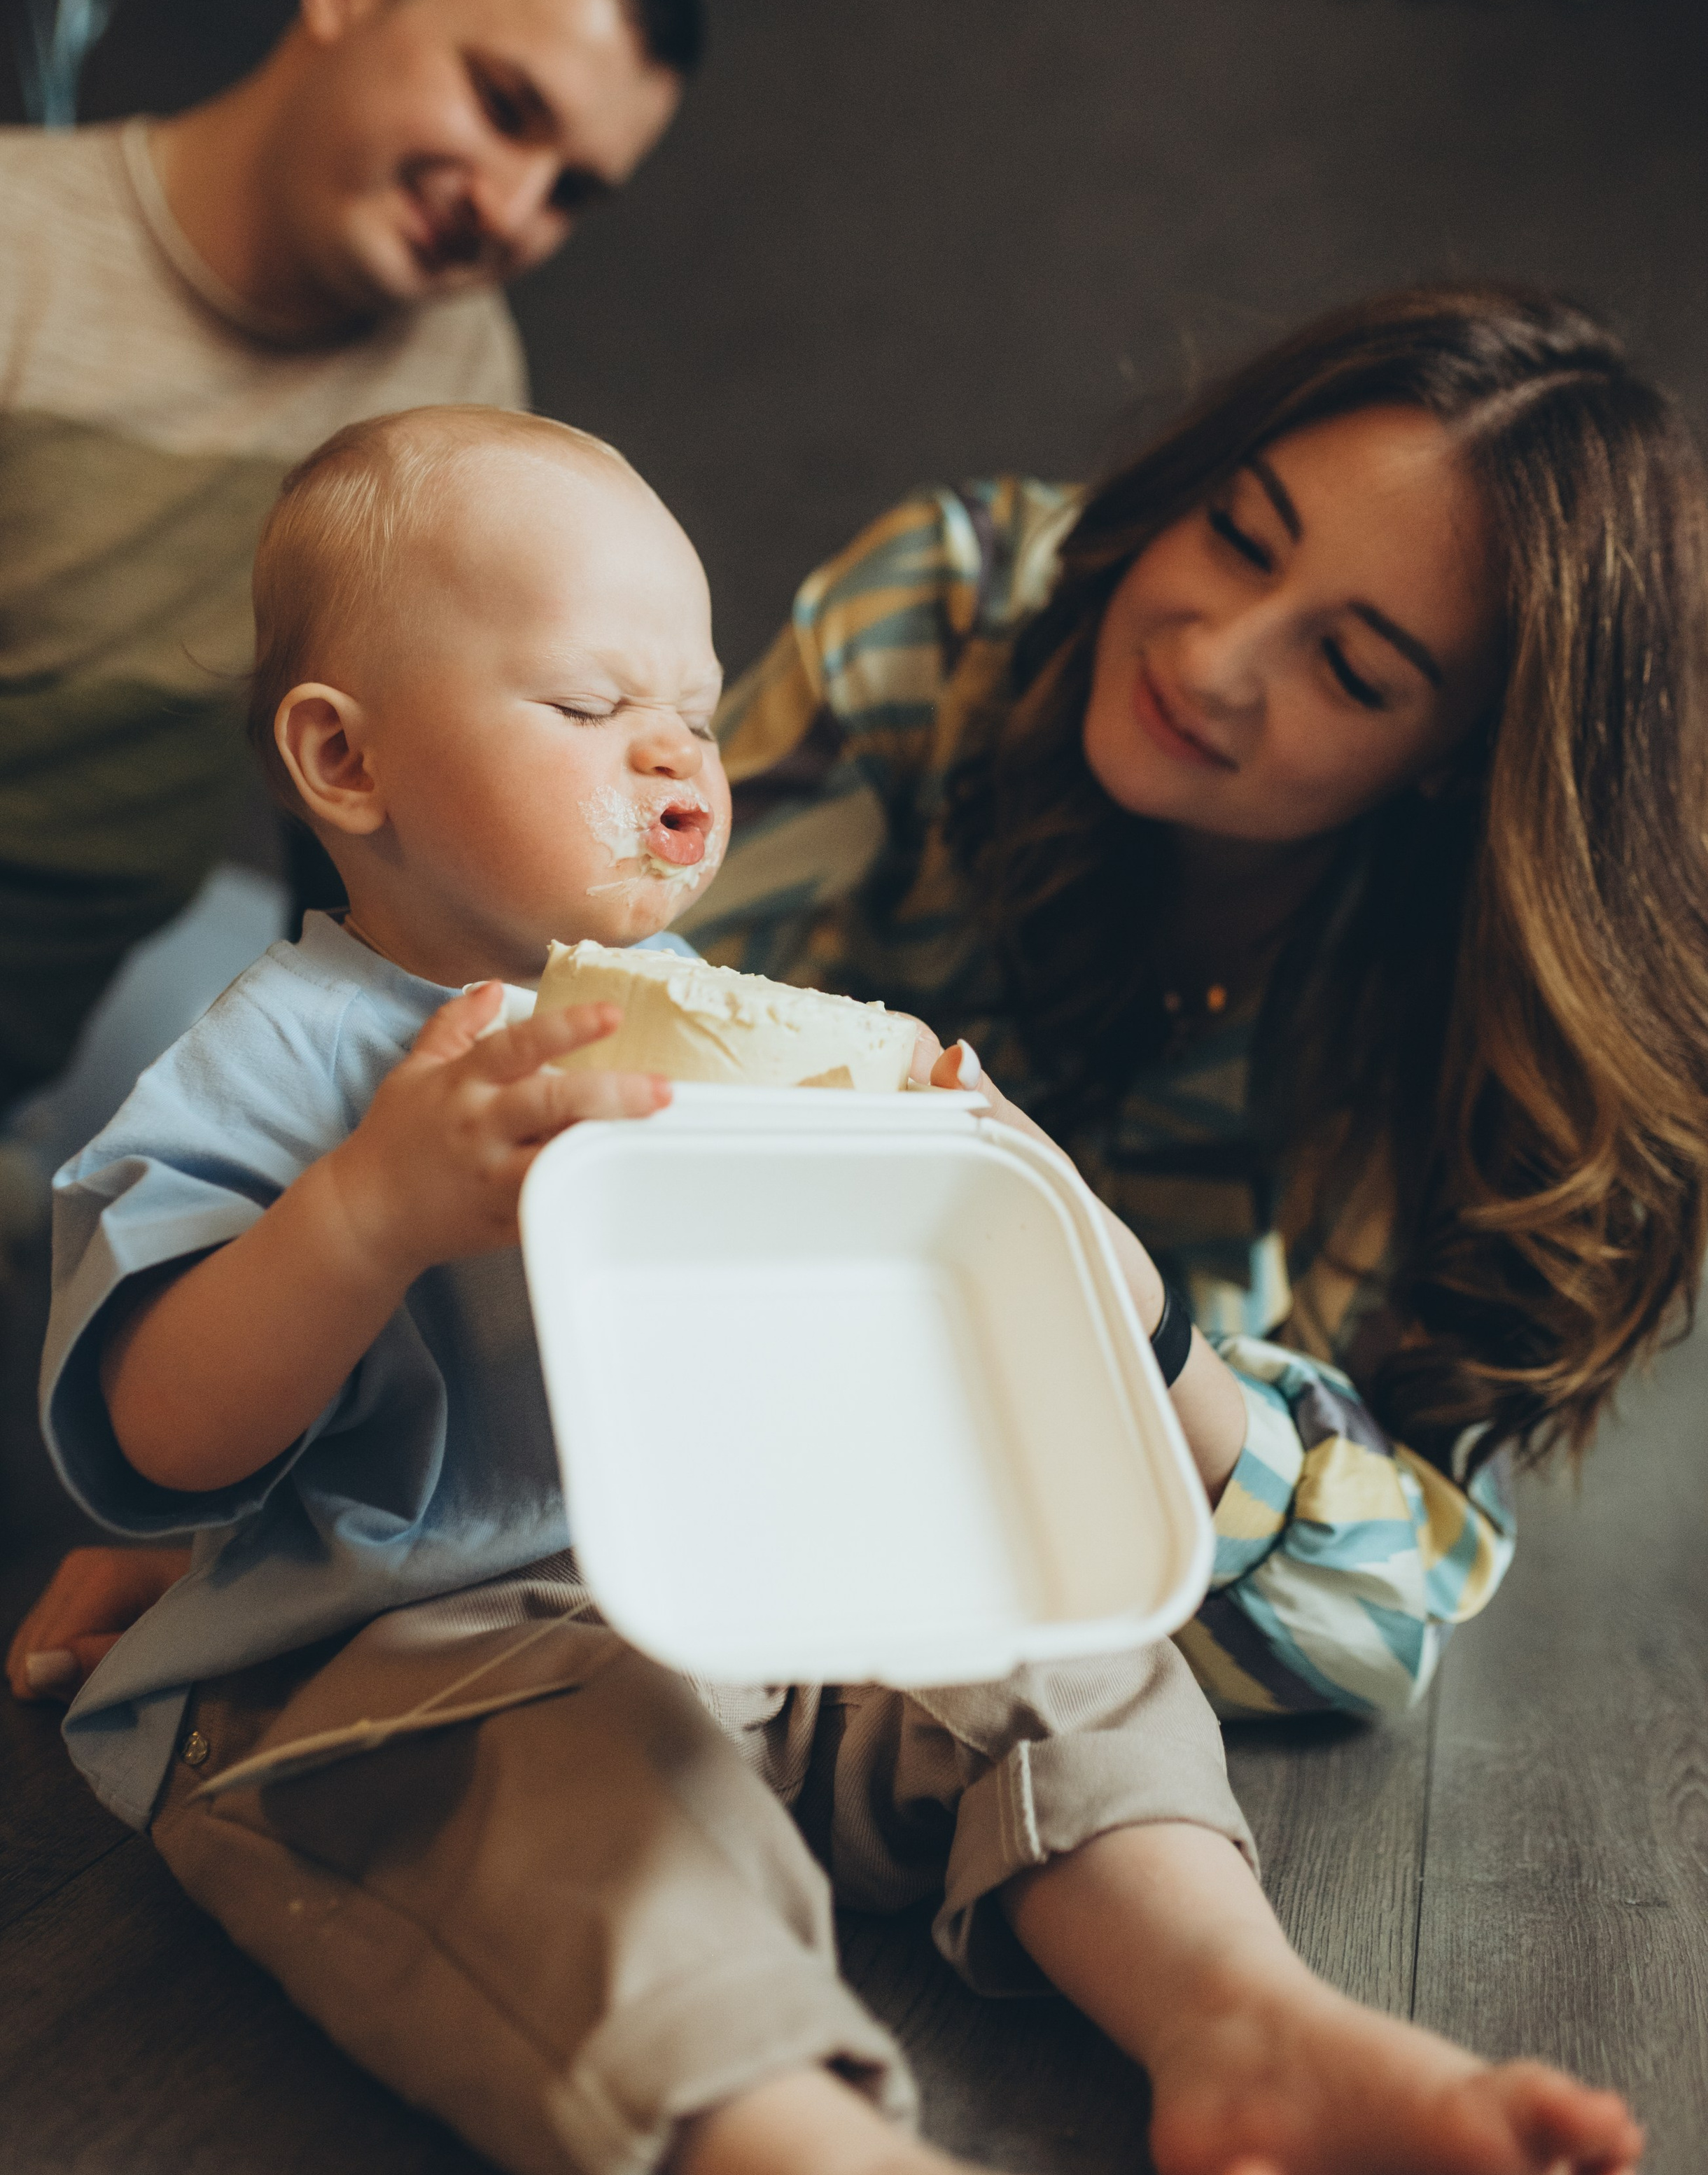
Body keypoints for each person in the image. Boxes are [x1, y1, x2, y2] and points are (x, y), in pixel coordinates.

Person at [29, 404, 1640, 2175]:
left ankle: (1240, 2016)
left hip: (739, 1610)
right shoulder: (288, 1051)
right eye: (584, 704)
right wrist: (365, 1216)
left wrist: (956, 1183)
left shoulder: (725, 1022)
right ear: (345, 755)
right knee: (587, 1824)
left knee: (1053, 1648)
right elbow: (144, 1431)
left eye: (696, 714)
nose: (673, 755)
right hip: (402, 1672)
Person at [682, 283, 1708, 1719]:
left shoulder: (1457, 1021)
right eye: (1236, 535)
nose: (1212, 657)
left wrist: (1140, 1336)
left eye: (1347, 668)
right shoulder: (945, 612)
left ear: (1459, 762)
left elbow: (1371, 1623)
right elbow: (605, 1009)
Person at [0, 0, 702, 1447]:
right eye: (504, 107)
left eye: (573, 190)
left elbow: (402, 826)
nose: (513, 207)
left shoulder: (454, 355)